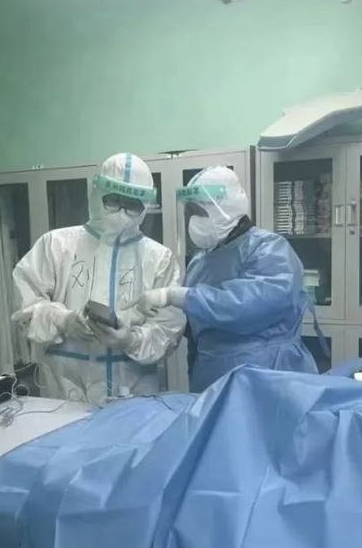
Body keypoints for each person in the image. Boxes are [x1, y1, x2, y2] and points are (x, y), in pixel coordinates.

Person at [127, 166, 321, 393]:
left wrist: (174, 295)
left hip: (268, 379)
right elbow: (196, 331)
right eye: (191, 211)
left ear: (227, 209)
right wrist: (136, 332)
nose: (194, 219)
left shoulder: (268, 249)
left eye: (201, 211)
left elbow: (248, 306)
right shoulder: (199, 262)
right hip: (211, 379)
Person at [11, 153, 186, 403]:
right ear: (96, 193)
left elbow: (168, 329)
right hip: (65, 392)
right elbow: (24, 310)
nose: (121, 213)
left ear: (145, 207)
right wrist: (64, 320)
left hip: (133, 393)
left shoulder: (159, 259)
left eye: (132, 205)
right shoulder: (56, 245)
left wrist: (131, 340)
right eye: (113, 200)